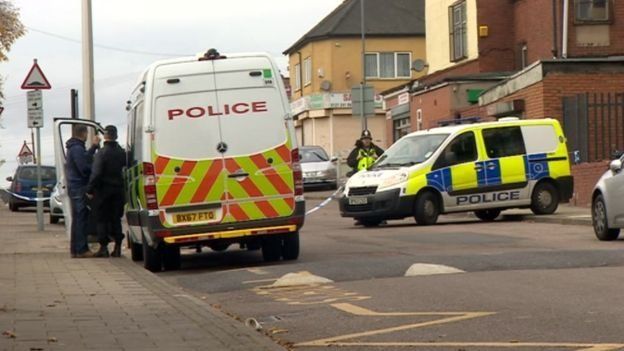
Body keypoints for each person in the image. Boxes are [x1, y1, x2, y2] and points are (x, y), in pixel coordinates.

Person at [86, 125, 127, 258]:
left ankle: (103, 248)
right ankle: (118, 247)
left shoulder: (101, 153)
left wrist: (90, 189)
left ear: (105, 136)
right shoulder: (122, 153)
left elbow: (96, 173)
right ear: (116, 136)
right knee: (116, 218)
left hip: (103, 191)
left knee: (101, 219)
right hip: (119, 191)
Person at [66, 125, 100, 258]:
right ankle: (81, 249)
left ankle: (75, 249)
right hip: (79, 187)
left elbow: (84, 158)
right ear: (84, 133)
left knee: (77, 219)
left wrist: (93, 147)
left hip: (74, 186)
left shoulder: (74, 147)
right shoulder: (77, 148)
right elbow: (84, 168)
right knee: (81, 219)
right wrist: (95, 171)